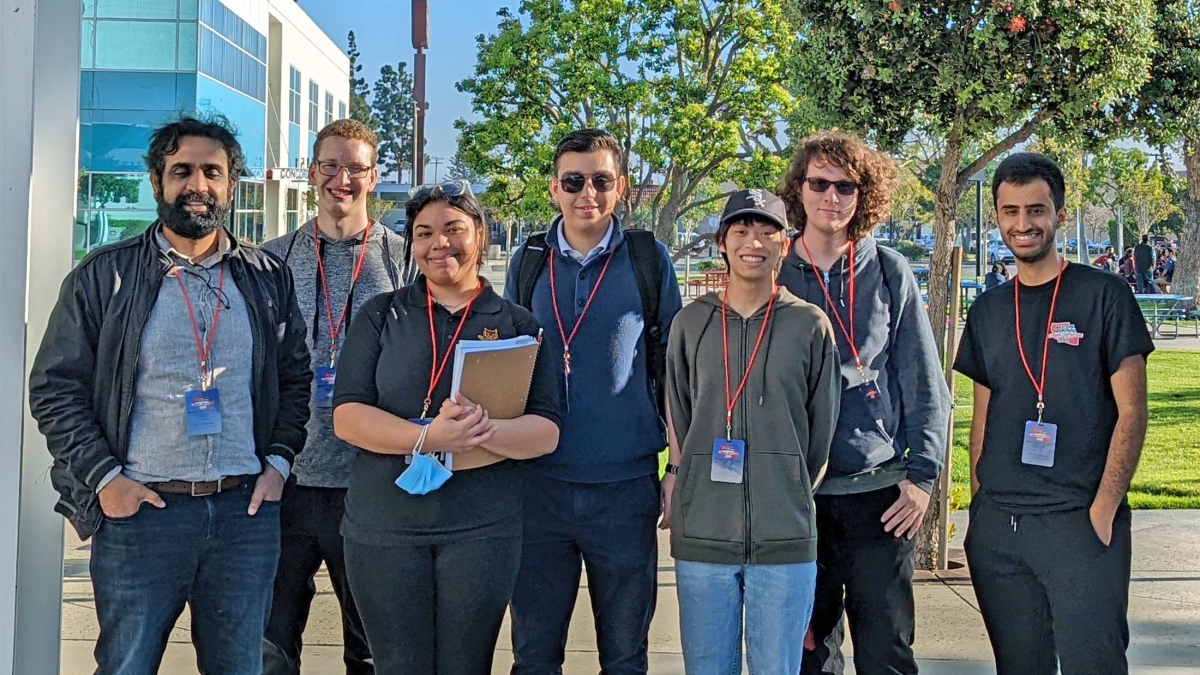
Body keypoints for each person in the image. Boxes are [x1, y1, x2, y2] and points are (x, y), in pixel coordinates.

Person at [28, 117, 313, 674]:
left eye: (213, 172)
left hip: (243, 515)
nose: (197, 186)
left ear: (233, 184)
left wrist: (278, 463)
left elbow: (296, 378)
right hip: (143, 517)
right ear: (157, 181)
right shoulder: (104, 276)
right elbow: (55, 389)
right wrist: (106, 481)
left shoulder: (265, 277)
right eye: (181, 171)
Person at [332, 181, 563, 674]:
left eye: (454, 229)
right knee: (398, 666)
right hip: (384, 527)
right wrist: (429, 438)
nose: (440, 244)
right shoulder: (380, 316)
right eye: (424, 233)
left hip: (481, 529)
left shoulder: (518, 324)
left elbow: (546, 431)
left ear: (480, 235)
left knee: (466, 666)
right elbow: (348, 416)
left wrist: (480, 433)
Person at [954, 153, 1153, 675]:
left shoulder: (1104, 295)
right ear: (997, 216)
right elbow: (982, 416)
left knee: (1096, 664)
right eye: (1010, 211)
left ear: (1059, 214)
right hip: (1000, 527)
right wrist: (980, 509)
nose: (1023, 224)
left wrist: (1103, 510)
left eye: (1036, 210)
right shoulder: (989, 309)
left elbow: (1133, 413)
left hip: (1078, 522)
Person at [505, 128, 683, 675]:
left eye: (602, 180)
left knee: (626, 657)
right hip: (539, 487)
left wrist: (676, 465)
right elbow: (509, 363)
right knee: (534, 657)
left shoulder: (648, 259)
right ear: (553, 188)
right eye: (574, 180)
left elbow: (674, 373)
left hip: (625, 490)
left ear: (621, 187)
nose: (589, 193)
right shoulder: (528, 260)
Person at [776, 131, 951, 675]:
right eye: (820, 183)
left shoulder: (889, 270)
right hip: (797, 496)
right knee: (809, 652)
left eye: (846, 186)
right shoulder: (773, 271)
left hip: (879, 494)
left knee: (888, 652)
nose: (832, 196)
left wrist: (922, 479)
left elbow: (924, 382)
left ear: (863, 194)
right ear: (799, 191)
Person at [662, 189, 840, 674]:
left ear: (786, 244)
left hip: (784, 538)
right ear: (722, 242)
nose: (753, 241)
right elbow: (679, 413)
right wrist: (683, 479)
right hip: (704, 535)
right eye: (741, 230)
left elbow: (819, 434)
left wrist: (786, 487)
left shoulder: (809, 324)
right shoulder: (690, 323)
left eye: (768, 230)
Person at [260, 119, 406, 675]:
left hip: (371, 483)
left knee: (370, 649)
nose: (341, 179)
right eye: (330, 166)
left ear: (372, 177)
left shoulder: (402, 259)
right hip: (283, 480)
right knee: (271, 645)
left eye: (355, 168)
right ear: (313, 173)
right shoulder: (270, 259)